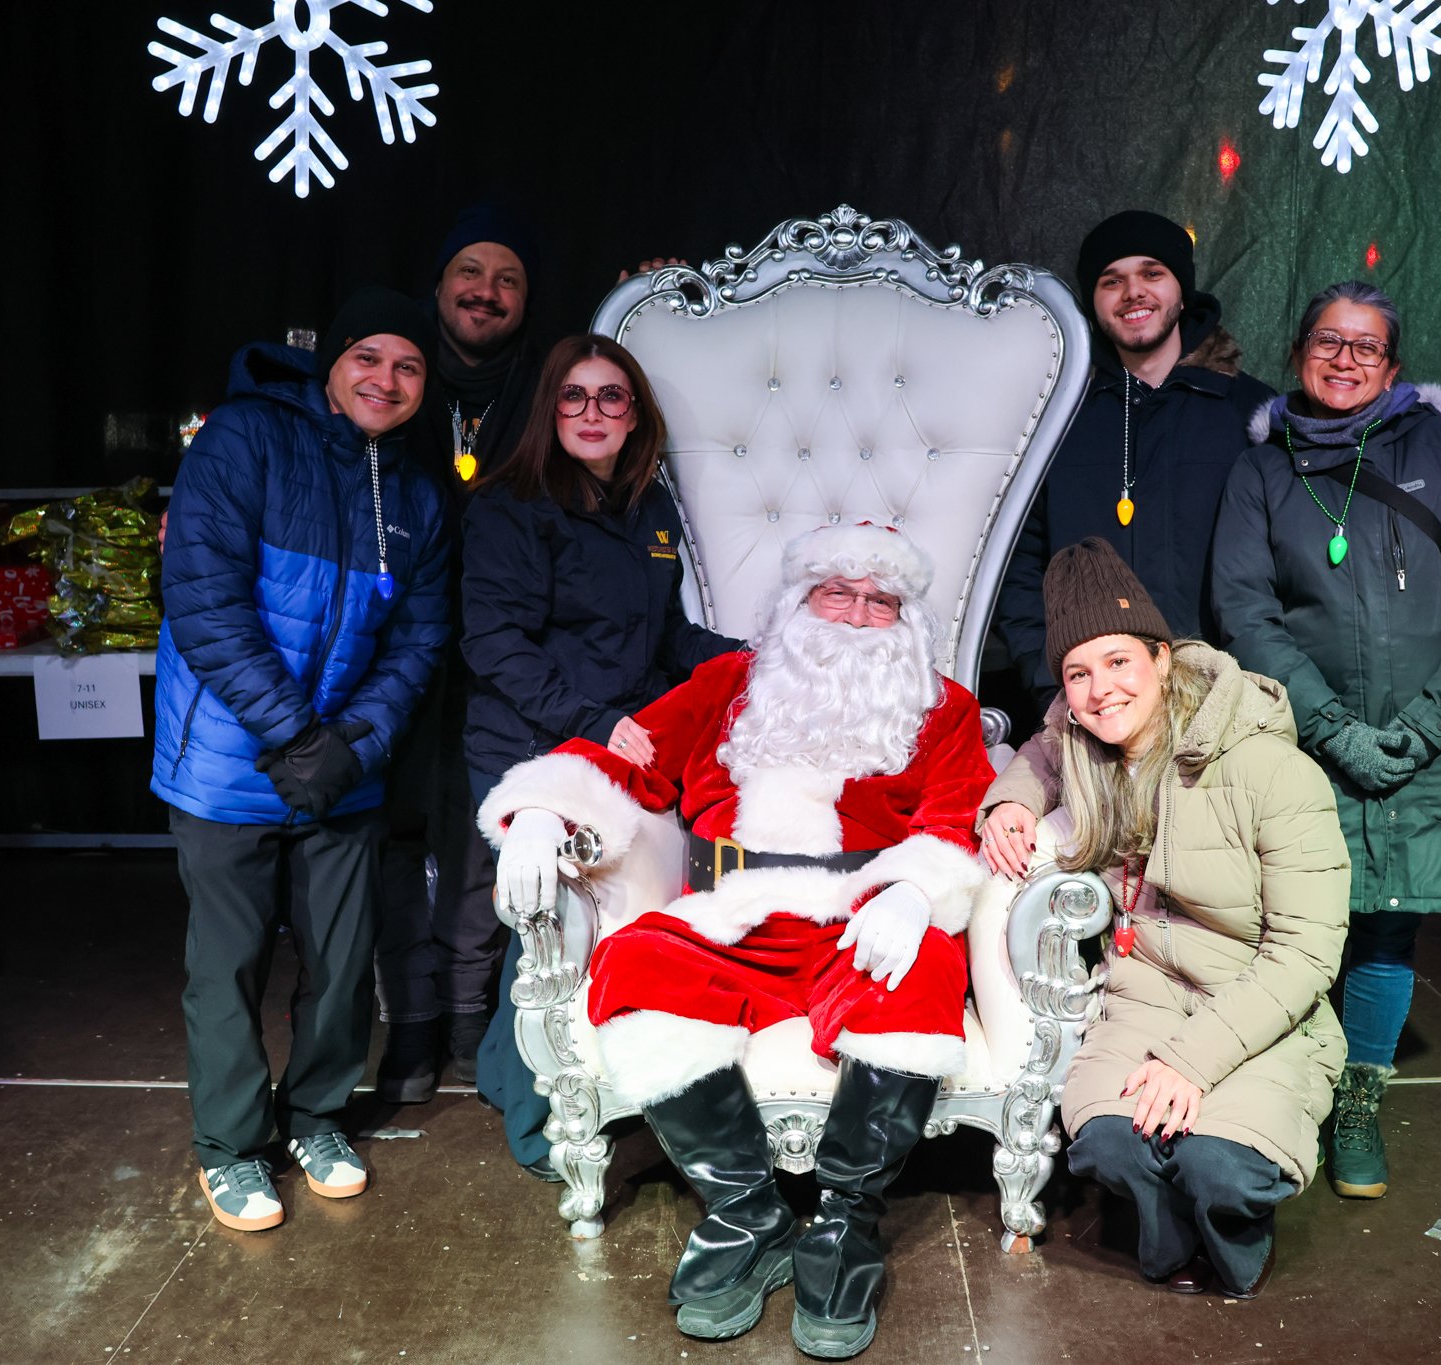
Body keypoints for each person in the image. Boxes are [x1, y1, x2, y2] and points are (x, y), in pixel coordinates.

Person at [480, 522, 993, 1356]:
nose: (857, 614)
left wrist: (913, 890)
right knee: (634, 961)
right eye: (838, 591)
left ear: (905, 619)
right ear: (799, 600)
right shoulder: (725, 682)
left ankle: (843, 1224)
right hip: (732, 918)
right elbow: (627, 763)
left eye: (879, 600)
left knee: (929, 968)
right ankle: (746, 1212)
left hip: (857, 922)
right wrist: (539, 813)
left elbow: (952, 817)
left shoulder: (945, 707)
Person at [1210, 280, 1441, 1200]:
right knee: (1297, 921)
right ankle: (1287, 1087)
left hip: (1434, 739)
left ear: (1393, 365)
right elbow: (1245, 607)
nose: (1345, 358)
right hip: (1306, 737)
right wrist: (1327, 725)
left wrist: (1437, 717)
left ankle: (1358, 1096)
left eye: (1366, 345)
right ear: (1299, 353)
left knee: (1389, 916)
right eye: (1328, 340)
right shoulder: (1262, 469)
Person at [151, 288, 451, 1232]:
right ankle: (231, 1147)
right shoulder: (243, 441)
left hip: (346, 770)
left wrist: (353, 743)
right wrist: (296, 734)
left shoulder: (418, 491)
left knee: (342, 956)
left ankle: (318, 1118)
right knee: (229, 963)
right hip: (228, 764)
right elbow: (203, 601)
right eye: (370, 358)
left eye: (408, 367)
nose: (387, 380)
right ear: (334, 363)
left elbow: (419, 640)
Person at [978, 537, 1349, 1299]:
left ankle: (1233, 1234)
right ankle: (1169, 1236)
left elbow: (1307, 953)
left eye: (1118, 662)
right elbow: (1046, 750)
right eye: (1078, 673)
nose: (1099, 689)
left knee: (1219, 1162)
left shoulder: (1272, 769)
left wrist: (1190, 1060)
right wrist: (1008, 800)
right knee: (1110, 1144)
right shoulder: (1091, 750)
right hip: (1146, 992)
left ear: (1163, 657)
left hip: (1256, 1001)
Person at [458, 334, 740, 1177]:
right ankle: (533, 1119)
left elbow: (668, 634)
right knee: (541, 919)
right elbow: (495, 643)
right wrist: (592, 718)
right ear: (550, 409)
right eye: (573, 397)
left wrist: (753, 662)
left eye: (610, 397)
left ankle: (507, 1070)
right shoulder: (510, 505)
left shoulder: (645, 508)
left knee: (586, 923)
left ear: (635, 414)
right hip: (531, 744)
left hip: (616, 741)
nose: (591, 413)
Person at [372, 202, 546, 1103]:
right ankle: (411, 1021)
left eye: (506, 278)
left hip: (500, 656)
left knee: (485, 839)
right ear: (437, 286)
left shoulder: (547, 384)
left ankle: (474, 1013)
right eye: (469, 273)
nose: (486, 291)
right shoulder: (393, 379)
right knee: (398, 837)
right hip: (394, 651)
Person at [995, 210, 1275, 706]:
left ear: (1181, 290)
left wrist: (1257, 687)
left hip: (1224, 701)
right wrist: (1051, 687)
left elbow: (1290, 568)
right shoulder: (1053, 413)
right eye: (1112, 281)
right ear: (1092, 301)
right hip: (1094, 707)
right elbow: (1017, 567)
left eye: (1152, 273)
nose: (1133, 293)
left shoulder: (1251, 413)